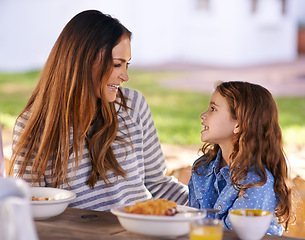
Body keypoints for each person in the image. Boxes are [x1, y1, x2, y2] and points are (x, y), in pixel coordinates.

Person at [10, 10, 188, 211]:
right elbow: (32, 205)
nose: (125, 76)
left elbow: (157, 184)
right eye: (117, 64)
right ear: (84, 61)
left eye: (127, 65)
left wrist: (210, 206)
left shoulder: (133, 104)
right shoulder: (33, 125)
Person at [188, 81, 293, 235]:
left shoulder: (257, 183)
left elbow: (234, 237)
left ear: (238, 125)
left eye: (213, 109)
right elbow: (190, 223)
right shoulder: (202, 168)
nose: (203, 115)